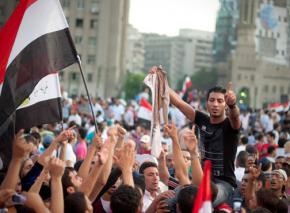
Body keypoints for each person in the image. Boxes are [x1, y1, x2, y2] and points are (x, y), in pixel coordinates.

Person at [165, 65, 241, 206]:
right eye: (212, 100)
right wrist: (161, 80)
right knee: (167, 203)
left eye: (220, 101)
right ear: (206, 103)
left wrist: (233, 105)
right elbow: (179, 102)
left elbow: (235, 118)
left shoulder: (230, 125)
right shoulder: (202, 119)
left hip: (223, 185)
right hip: (201, 179)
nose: (215, 104)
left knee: (199, 201)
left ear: (225, 105)